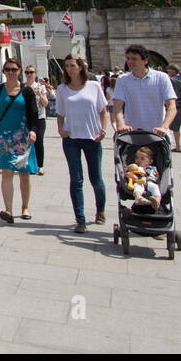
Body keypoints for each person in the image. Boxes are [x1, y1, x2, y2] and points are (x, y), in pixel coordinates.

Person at [0, 57, 41, 223]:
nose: (11, 72)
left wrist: (34, 131)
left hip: (23, 136)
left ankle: (25, 207)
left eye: (14, 69)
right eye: (8, 70)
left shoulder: (27, 91)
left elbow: (33, 114)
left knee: (24, 173)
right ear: (4, 72)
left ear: (19, 71)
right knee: (7, 172)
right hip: (5, 137)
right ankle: (8, 209)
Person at [55, 55, 108, 233]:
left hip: (92, 137)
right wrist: (61, 129)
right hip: (71, 138)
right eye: (67, 66)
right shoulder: (62, 89)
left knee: (96, 179)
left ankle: (100, 210)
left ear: (81, 67)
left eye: (73, 65)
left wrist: (103, 130)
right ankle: (80, 219)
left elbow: (103, 110)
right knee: (76, 179)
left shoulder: (93, 86)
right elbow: (60, 112)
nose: (70, 69)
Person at [112, 45, 177, 137]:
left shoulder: (161, 78)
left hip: (157, 133)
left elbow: (171, 106)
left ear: (145, 61)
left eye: (134, 59)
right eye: (128, 58)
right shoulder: (122, 79)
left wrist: (164, 127)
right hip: (132, 133)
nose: (130, 61)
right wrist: (121, 124)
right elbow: (117, 106)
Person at [24, 66, 49, 174]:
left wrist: (38, 94)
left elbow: (45, 103)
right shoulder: (23, 87)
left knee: (39, 141)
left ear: (35, 73)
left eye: (31, 72)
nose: (29, 74)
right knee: (27, 142)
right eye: (27, 72)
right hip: (26, 117)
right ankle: (29, 165)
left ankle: (40, 165)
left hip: (39, 117)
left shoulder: (40, 87)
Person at [125, 146, 162, 210]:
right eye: (137, 158)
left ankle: (157, 201)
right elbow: (128, 174)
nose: (138, 160)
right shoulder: (135, 168)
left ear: (150, 161)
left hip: (151, 182)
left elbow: (157, 177)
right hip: (140, 182)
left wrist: (158, 183)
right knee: (137, 187)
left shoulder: (153, 169)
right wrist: (129, 175)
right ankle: (139, 198)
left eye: (142, 159)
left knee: (156, 189)